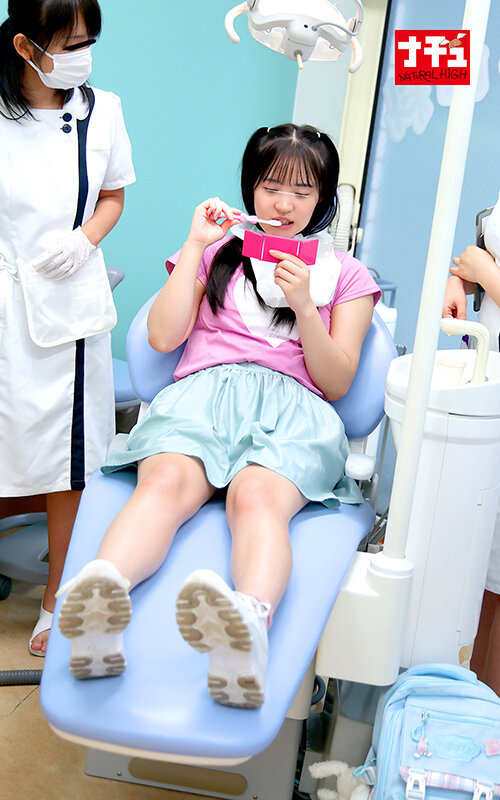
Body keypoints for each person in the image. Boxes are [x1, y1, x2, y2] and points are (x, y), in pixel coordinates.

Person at [56, 124, 380, 708]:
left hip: (295, 410)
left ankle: (246, 632)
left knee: (256, 498)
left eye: (302, 192)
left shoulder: (348, 276)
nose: (284, 204)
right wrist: (195, 245)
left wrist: (306, 305)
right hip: (202, 397)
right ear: (250, 187)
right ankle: (100, 606)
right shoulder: (216, 252)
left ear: (324, 198)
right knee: (164, 483)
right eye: (271, 187)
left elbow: (336, 381)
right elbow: (162, 337)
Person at [0, 0, 135, 656]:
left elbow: (113, 195)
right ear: (26, 46)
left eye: (89, 42)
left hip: (68, 306)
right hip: (4, 295)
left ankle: (58, 597)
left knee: (69, 459)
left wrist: (85, 240)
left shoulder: (102, 110)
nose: (83, 56)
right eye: (70, 44)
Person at [443, 191, 500, 695]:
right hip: (489, 383)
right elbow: (484, 248)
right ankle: (464, 707)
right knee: (479, 574)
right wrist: (461, 278)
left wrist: (487, 276)